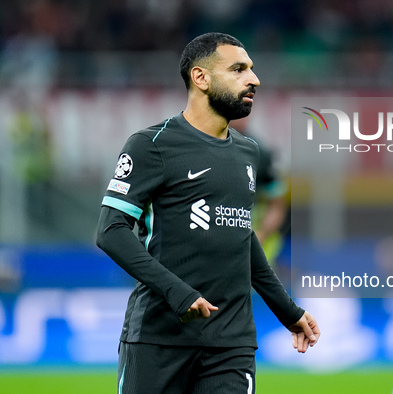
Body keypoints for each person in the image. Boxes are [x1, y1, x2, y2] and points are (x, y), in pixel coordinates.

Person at [96, 32, 320, 394]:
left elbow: (241, 238)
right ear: (200, 78)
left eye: (252, 69)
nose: (254, 79)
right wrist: (178, 293)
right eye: (238, 69)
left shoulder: (249, 153)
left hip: (231, 343)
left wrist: (287, 310)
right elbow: (111, 230)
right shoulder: (152, 145)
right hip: (158, 338)